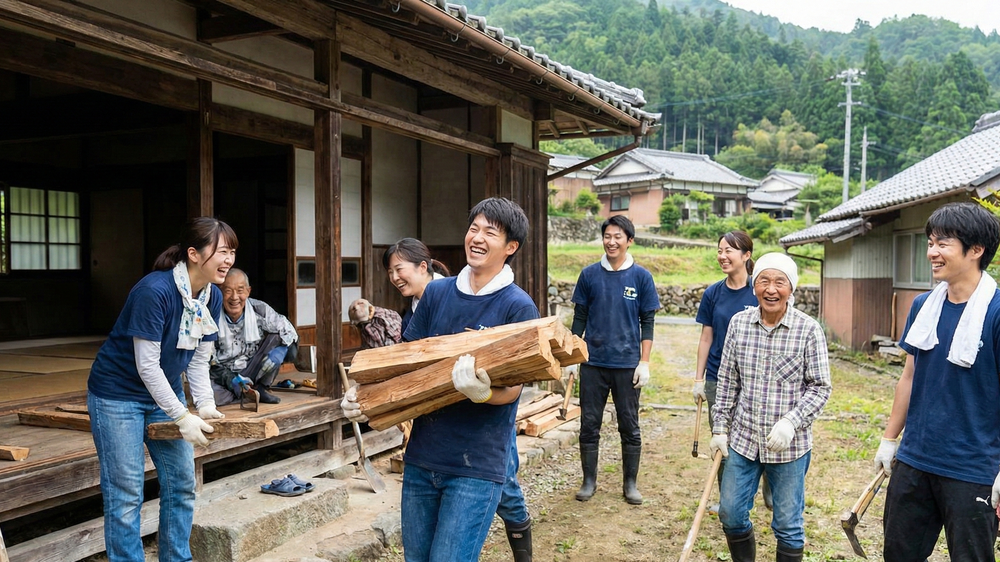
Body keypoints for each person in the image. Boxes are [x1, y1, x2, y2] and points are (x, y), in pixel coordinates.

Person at [346, 198, 536, 562]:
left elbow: (512, 391)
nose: (477, 238)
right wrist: (363, 396)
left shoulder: (518, 306)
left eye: (490, 233)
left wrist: (481, 393)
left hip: (477, 466)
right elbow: (405, 360)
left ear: (510, 247)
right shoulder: (437, 293)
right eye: (473, 228)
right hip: (423, 456)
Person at [87, 217, 236, 562]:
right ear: (193, 254)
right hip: (116, 395)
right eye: (222, 251)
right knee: (126, 493)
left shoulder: (211, 296)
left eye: (232, 252)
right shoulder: (154, 291)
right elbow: (147, 366)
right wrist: (182, 415)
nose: (229, 260)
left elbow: (198, 361)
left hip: (163, 394)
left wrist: (205, 403)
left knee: (182, 485)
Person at [874, 202, 1000, 562]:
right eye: (930, 242)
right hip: (916, 459)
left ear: (976, 250)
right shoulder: (923, 306)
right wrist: (888, 440)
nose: (931, 252)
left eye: (943, 243)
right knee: (899, 554)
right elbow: (910, 376)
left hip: (973, 468)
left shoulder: (996, 313)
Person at [709, 252, 831, 562]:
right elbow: (727, 381)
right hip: (744, 439)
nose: (771, 289)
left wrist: (791, 422)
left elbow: (820, 387)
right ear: (754, 286)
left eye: (780, 282)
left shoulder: (808, 329)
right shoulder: (739, 325)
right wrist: (720, 428)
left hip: (789, 446)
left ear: (792, 288)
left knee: (788, 525)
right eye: (764, 280)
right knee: (731, 513)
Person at [570, 215, 660, 505]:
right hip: (593, 364)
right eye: (607, 236)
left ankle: (630, 484)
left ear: (629, 240)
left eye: (618, 236)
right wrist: (572, 355)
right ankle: (588, 481)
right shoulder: (589, 275)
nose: (612, 241)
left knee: (629, 426)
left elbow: (647, 322)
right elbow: (579, 317)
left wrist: (644, 362)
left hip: (626, 365)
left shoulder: (641, 277)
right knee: (589, 424)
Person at [692, 231, 763, 513]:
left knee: (758, 434)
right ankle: (727, 500)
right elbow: (706, 338)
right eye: (719, 250)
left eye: (729, 251)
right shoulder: (713, 293)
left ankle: (766, 484)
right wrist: (699, 380)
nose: (722, 256)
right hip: (717, 378)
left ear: (746, 256)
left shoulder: (759, 291)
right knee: (721, 437)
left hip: (753, 378)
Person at [209, 268, 298, 406]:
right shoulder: (211, 315)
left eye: (240, 291)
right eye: (228, 291)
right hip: (223, 375)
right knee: (210, 396)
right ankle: (245, 394)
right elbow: (208, 360)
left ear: (248, 291)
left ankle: (260, 388)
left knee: (277, 337)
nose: (234, 297)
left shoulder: (260, 309)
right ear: (220, 292)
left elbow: (289, 331)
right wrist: (231, 379)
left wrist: (283, 351)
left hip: (252, 368)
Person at [382, 237, 450, 334]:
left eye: (399, 269)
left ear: (423, 267)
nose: (394, 278)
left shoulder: (456, 295)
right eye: (390, 272)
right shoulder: (408, 320)